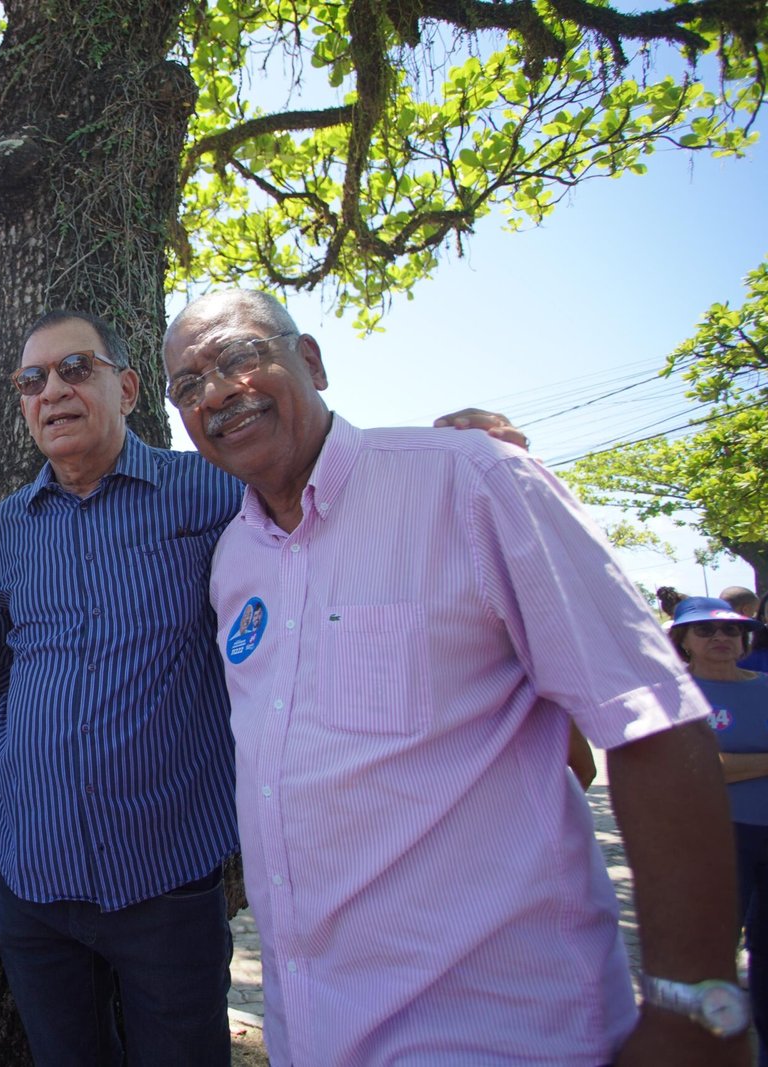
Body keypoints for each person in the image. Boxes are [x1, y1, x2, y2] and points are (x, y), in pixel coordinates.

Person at [164, 288, 748, 1064]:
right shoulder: (234, 560)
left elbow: (651, 720)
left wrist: (692, 1004)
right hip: (316, 1031)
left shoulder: (473, 481)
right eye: (187, 384)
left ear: (312, 361)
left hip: (502, 1031)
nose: (216, 391)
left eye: (238, 355)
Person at [0, 308, 521, 1065]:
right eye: (32, 379)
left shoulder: (210, 490)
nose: (53, 391)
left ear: (128, 387)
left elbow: (319, 490)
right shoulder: (7, 528)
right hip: (31, 880)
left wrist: (441, 451)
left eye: (77, 369)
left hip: (163, 882)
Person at [671, 595, 768, 1064]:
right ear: (684, 641)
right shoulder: (673, 697)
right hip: (715, 838)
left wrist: (734, 764)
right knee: (711, 953)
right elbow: (695, 769)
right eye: (706, 631)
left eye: (731, 630)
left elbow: (721, 763)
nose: (721, 638)